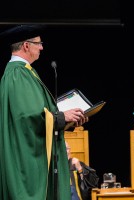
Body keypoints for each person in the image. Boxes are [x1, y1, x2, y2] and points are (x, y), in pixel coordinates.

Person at [0, 24, 88, 200]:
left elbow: (40, 112)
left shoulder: (25, 73)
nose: (42, 47)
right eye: (38, 43)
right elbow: (28, 116)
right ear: (26, 45)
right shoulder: (18, 74)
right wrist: (62, 117)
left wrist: (68, 120)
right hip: (26, 160)